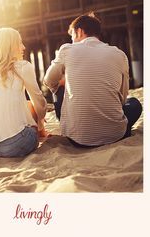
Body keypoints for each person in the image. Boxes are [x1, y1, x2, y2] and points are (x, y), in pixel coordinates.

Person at [44, 13, 142, 147]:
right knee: (134, 103)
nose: (72, 40)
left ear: (79, 31)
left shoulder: (67, 50)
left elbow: (48, 81)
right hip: (115, 135)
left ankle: (73, 124)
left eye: (72, 35)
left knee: (58, 86)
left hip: (77, 140)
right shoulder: (120, 54)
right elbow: (123, 97)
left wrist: (63, 84)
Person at [0, 27, 47, 157]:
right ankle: (42, 131)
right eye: (19, 43)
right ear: (10, 46)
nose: (23, 47)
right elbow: (40, 102)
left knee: (25, 105)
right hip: (15, 145)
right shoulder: (23, 67)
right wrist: (40, 123)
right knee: (32, 104)